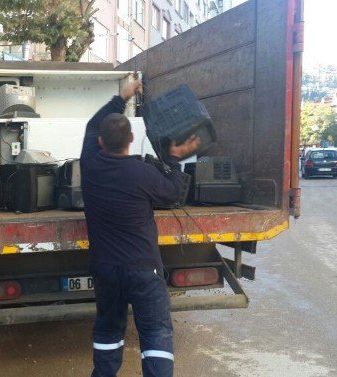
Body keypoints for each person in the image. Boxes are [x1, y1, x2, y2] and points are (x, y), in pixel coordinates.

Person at [80, 79, 201, 377]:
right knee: (156, 333)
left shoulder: (90, 163)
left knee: (108, 329)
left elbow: (93, 124)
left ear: (99, 142)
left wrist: (122, 96)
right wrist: (174, 158)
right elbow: (174, 192)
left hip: (106, 268)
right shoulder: (143, 174)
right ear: (132, 139)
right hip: (144, 270)